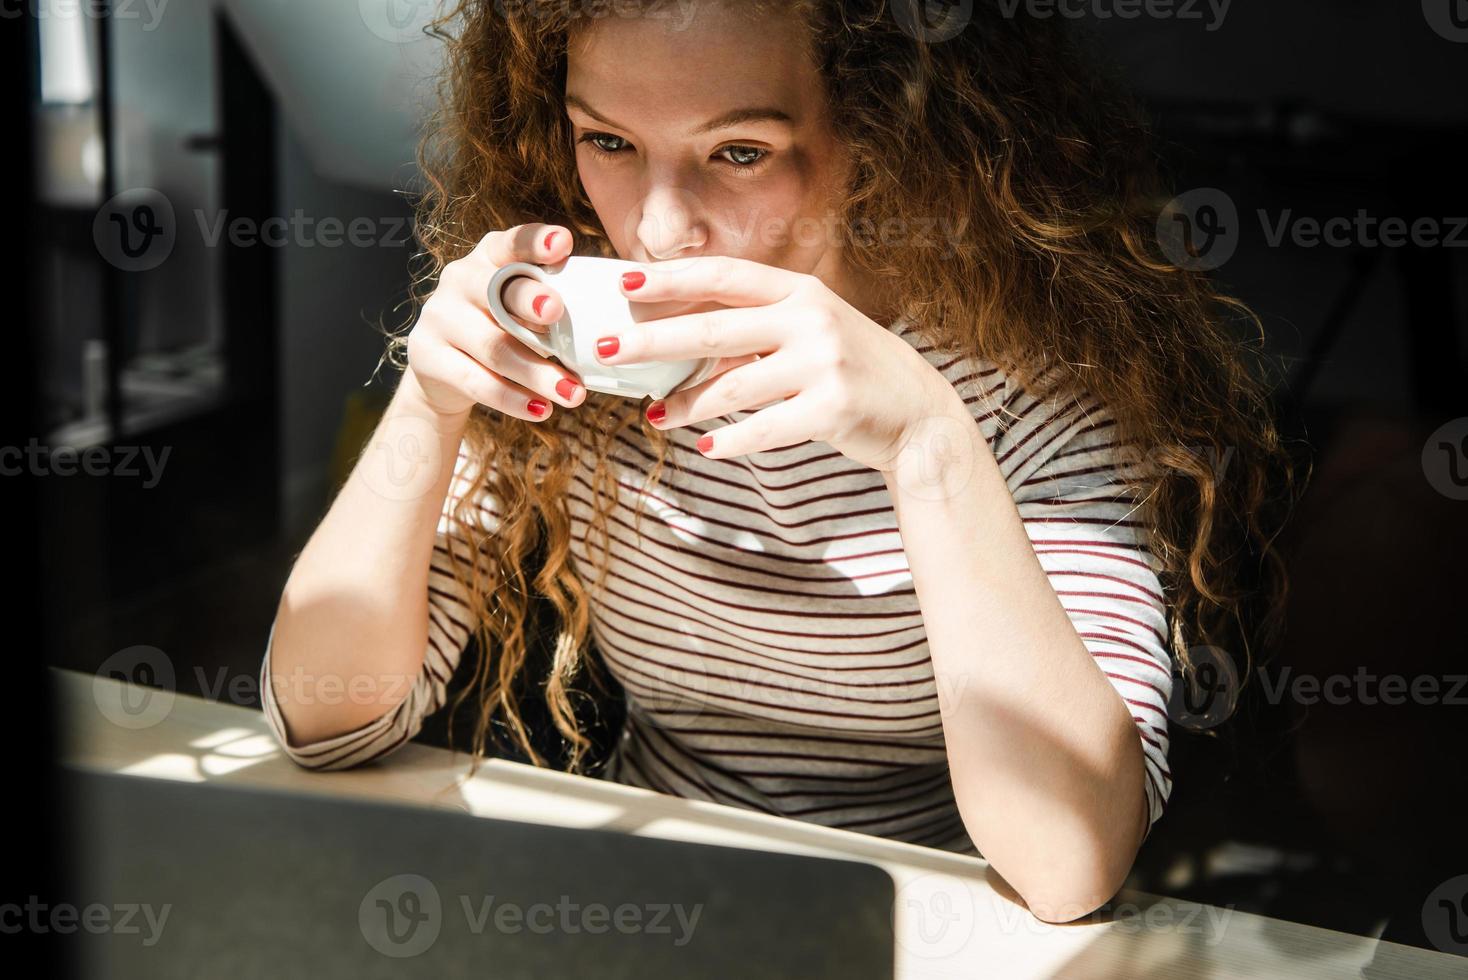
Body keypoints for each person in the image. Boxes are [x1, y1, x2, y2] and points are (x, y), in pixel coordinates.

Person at [259, 0, 1295, 923]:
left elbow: (1068, 862)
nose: (659, 229)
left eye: (739, 151)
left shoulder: (1038, 395)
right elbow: (323, 716)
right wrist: (428, 402)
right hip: (642, 906)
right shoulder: (583, 359)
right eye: (609, 140)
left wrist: (927, 445)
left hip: (933, 914)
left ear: (882, 137)